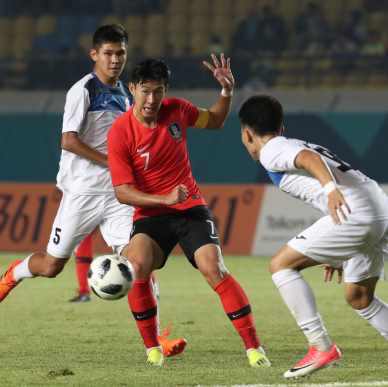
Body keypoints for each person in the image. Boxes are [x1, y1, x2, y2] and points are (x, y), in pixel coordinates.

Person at [0, 24, 186, 357]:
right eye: (108, 53)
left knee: (138, 262)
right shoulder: (83, 90)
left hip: (119, 194)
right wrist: (112, 161)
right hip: (82, 193)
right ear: (95, 55)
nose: (115, 59)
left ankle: (156, 338)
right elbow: (69, 140)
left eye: (120, 53)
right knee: (50, 267)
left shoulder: (127, 92)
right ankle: (13, 274)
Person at [238, 94, 388, 380]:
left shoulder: (272, 148)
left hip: (356, 212)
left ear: (246, 133)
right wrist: (337, 248)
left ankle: (320, 347)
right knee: (360, 297)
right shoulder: (290, 142)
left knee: (280, 265)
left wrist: (332, 190)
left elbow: (310, 159)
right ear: (281, 127)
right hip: (379, 208)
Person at [106, 57, 270, 367]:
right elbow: (122, 192)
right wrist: (163, 199)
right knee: (136, 264)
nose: (151, 100)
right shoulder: (119, 132)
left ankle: (254, 349)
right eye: (144, 91)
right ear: (132, 89)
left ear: (166, 90)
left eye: (158, 91)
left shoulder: (178, 109)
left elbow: (217, 121)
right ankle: (153, 349)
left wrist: (227, 92)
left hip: (190, 207)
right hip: (152, 214)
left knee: (214, 269)